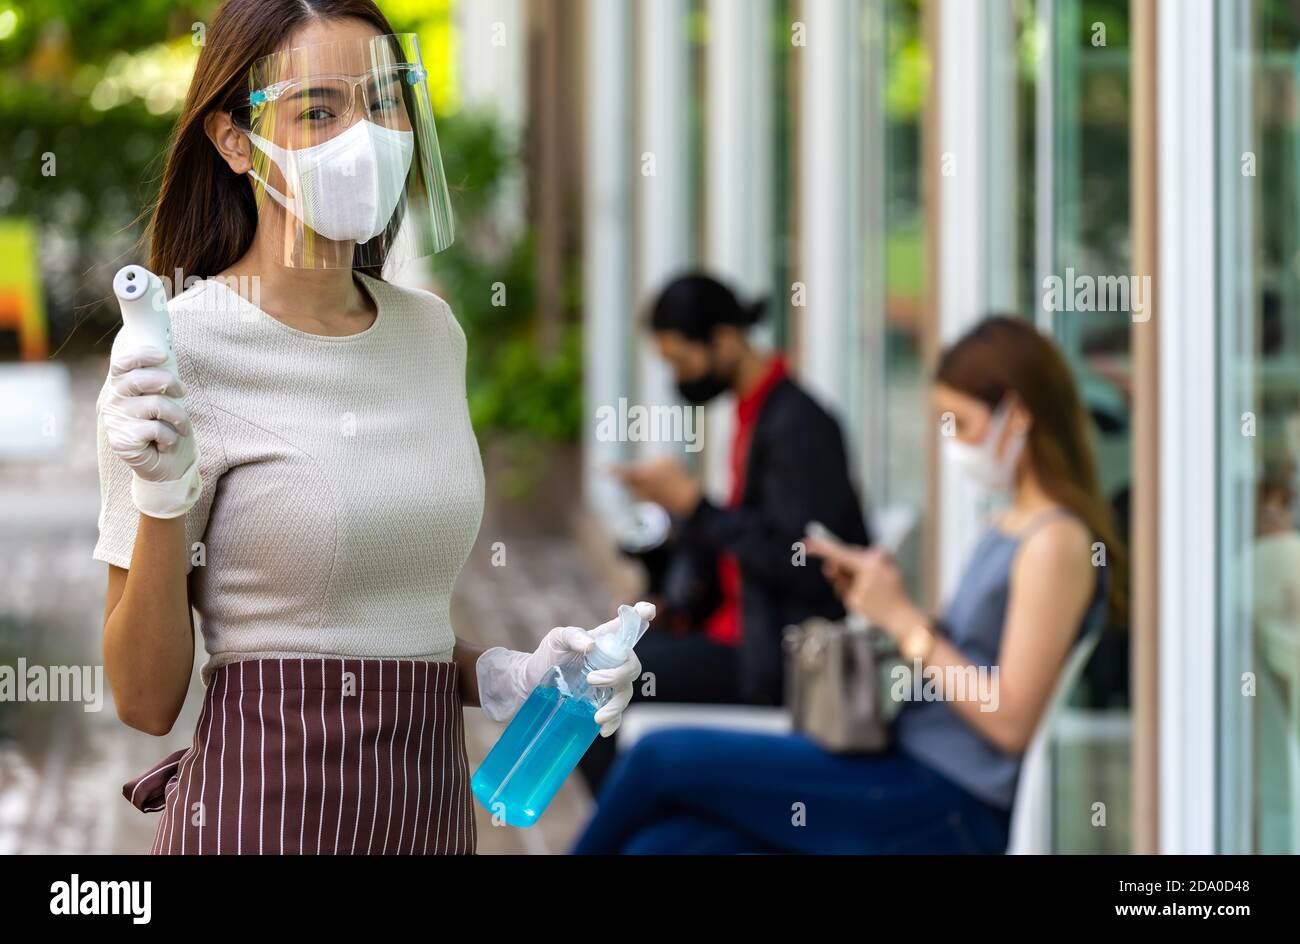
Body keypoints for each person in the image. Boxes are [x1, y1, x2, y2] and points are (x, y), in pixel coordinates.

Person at [95, 0, 649, 856]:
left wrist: (510, 676)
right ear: (234, 140)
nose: (367, 133)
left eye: (385, 99)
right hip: (264, 821)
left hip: (426, 818)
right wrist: (161, 491)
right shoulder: (174, 355)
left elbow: (379, 625)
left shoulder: (432, 334)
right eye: (319, 108)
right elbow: (145, 698)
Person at [574, 316, 1125, 854]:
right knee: (664, 844)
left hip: (944, 799)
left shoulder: (1055, 543)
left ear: (1019, 416)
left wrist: (905, 623)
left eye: (962, 423)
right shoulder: (1006, 524)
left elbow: (1008, 720)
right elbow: (969, 658)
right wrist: (882, 596)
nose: (953, 445)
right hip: (902, 765)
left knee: (658, 759)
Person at [578, 274, 870, 791]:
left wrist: (692, 503)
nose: (679, 375)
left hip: (769, 660)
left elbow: (799, 561)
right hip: (733, 632)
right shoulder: (754, 413)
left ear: (725, 339)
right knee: (594, 674)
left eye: (681, 360)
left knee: (593, 698)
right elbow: (743, 545)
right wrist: (674, 601)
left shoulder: (798, 424)